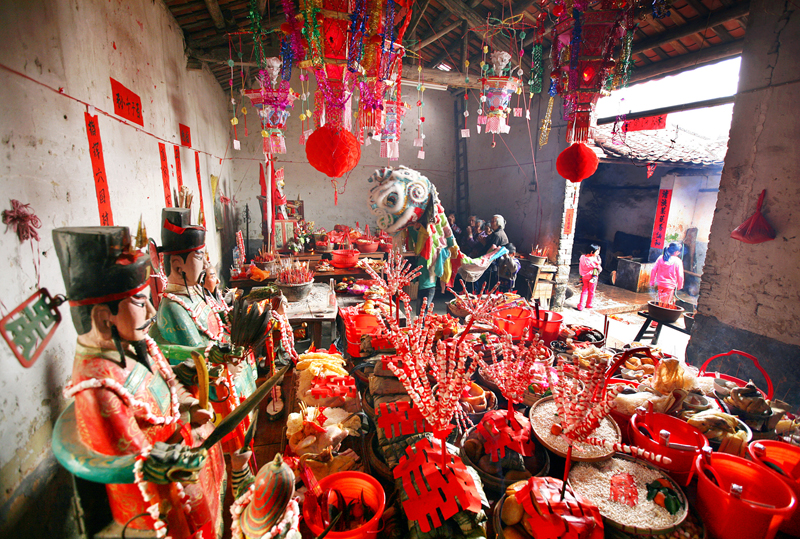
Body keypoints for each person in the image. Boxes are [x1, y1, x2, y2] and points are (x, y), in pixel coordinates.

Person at [52, 226, 225, 537]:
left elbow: (168, 386)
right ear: (103, 318)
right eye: (139, 303)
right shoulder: (96, 384)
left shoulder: (137, 344)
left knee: (211, 434)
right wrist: (170, 457)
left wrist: (188, 407)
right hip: (152, 495)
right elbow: (132, 454)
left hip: (176, 444)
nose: (151, 310)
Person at [150, 207, 256, 453]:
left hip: (220, 356)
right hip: (202, 375)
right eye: (199, 257)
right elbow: (195, 351)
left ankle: (249, 433)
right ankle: (235, 451)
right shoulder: (172, 306)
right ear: (178, 265)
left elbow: (217, 321)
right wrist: (225, 359)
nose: (206, 263)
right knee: (229, 379)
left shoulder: (196, 291)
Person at [577, 244, 602, 311]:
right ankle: (589, 304)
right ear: (591, 252)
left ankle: (581, 305)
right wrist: (598, 265)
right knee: (591, 291)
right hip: (592, 278)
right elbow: (599, 269)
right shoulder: (593, 260)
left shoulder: (582, 257)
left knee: (584, 291)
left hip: (584, 277)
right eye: (597, 252)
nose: (598, 253)